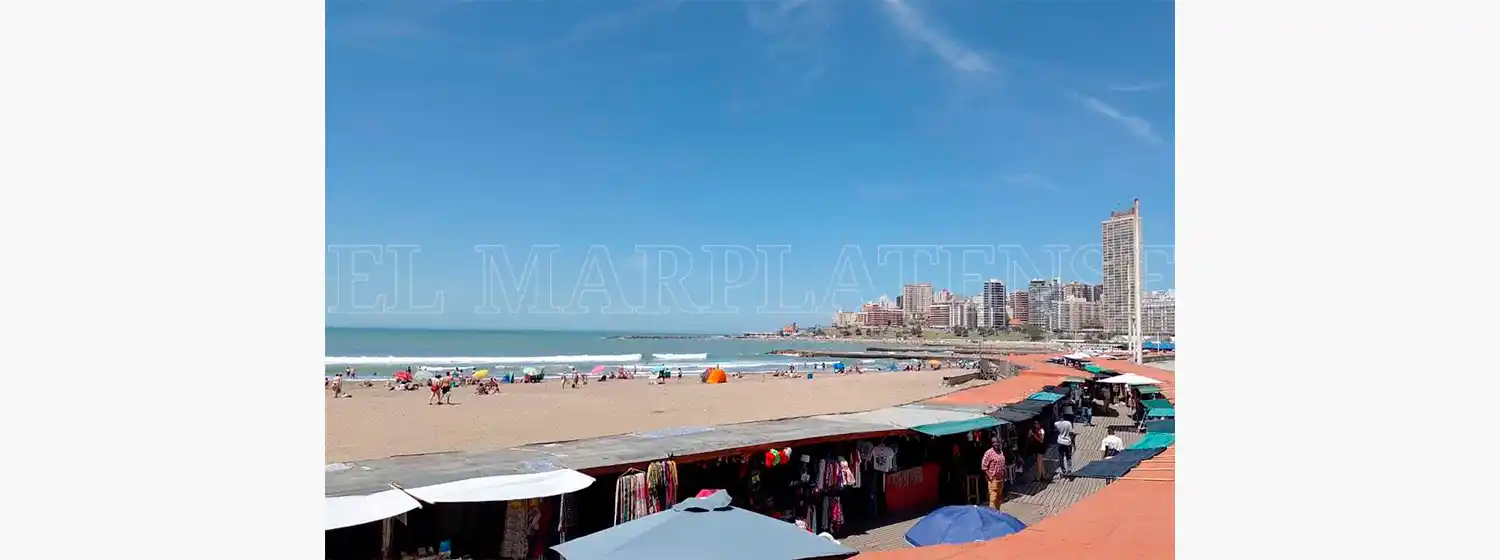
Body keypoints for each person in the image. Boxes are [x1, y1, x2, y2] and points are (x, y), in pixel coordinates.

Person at [980, 438, 1006, 509]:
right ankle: (992, 515)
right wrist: (990, 476)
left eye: (998, 442)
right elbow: (984, 466)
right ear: (992, 444)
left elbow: (1003, 464)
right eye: (994, 442)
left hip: (1001, 479)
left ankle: (997, 513)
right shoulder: (988, 453)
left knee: (998, 499)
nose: (996, 444)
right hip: (993, 479)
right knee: (993, 499)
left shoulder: (1001, 452)